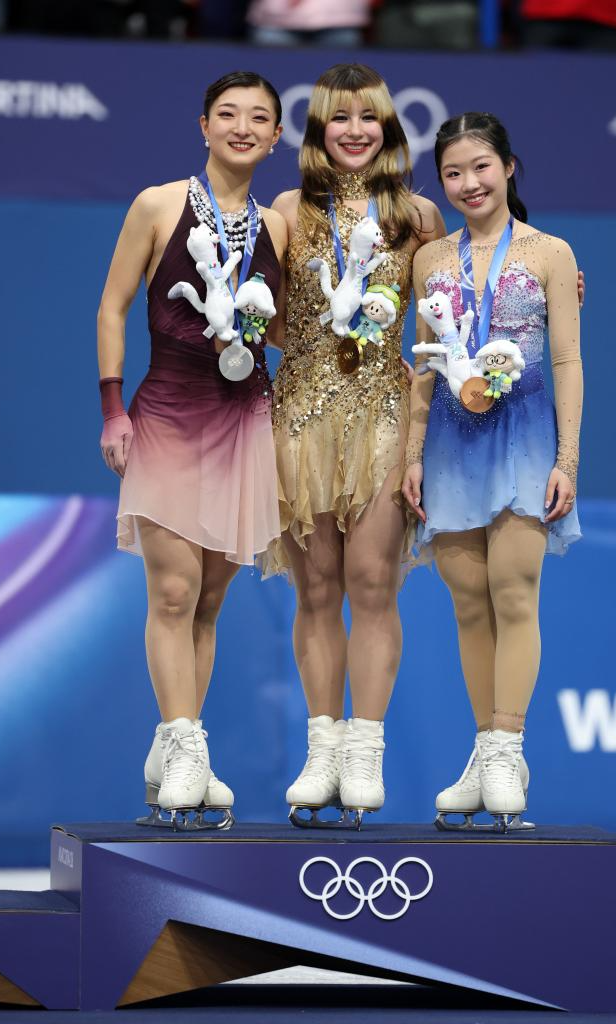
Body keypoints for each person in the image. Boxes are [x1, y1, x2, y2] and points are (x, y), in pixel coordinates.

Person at [96, 71, 287, 826]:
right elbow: (112, 307)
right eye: (228, 114)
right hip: (168, 415)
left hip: (243, 421)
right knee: (173, 593)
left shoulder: (277, 226)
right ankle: (183, 744)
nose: (243, 127)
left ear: (276, 137)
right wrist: (112, 409)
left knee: (209, 599)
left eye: (259, 118)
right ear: (203, 126)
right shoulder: (158, 204)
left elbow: (290, 329)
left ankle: (179, 746)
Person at [262, 63, 446, 826]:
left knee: (372, 585)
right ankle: (322, 748)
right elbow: (261, 313)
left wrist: (548, 292)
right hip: (301, 417)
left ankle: (364, 750)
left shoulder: (418, 216)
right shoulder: (287, 210)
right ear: (317, 129)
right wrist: (312, 344)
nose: (354, 131)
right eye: (339, 117)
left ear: (388, 127)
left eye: (367, 117)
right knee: (316, 591)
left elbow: (449, 315)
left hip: (382, 416)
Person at [402, 112, 582, 831]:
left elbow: (566, 359)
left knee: (514, 592)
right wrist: (411, 455)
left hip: (525, 439)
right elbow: (422, 365)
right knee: (468, 603)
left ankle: (507, 750)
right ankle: (484, 756)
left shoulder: (550, 253)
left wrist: (567, 459)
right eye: (452, 172)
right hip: (450, 444)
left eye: (480, 166)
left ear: (508, 167)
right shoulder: (428, 259)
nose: (468, 183)